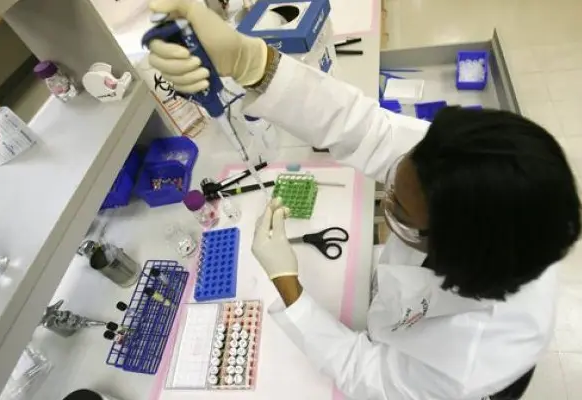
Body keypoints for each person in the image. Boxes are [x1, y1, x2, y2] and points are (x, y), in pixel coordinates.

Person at [146, 1, 581, 399]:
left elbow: (364, 373)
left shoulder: (470, 357)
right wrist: (252, 62)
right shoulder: (459, 170)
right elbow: (367, 129)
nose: (385, 195)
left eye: (397, 209)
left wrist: (289, 288)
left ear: (448, 250)